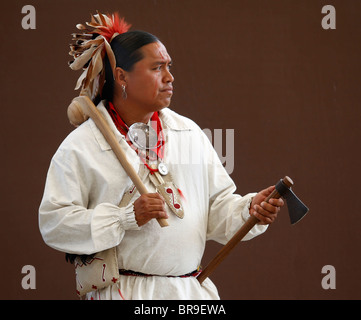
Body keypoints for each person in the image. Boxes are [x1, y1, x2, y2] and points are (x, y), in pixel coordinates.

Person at [39, 12, 284, 300]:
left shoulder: (188, 133)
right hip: (125, 292)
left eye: (168, 66)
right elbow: (55, 223)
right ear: (121, 76)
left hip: (189, 293)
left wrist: (248, 211)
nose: (169, 77)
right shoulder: (82, 145)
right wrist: (125, 218)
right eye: (157, 68)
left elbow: (215, 210)